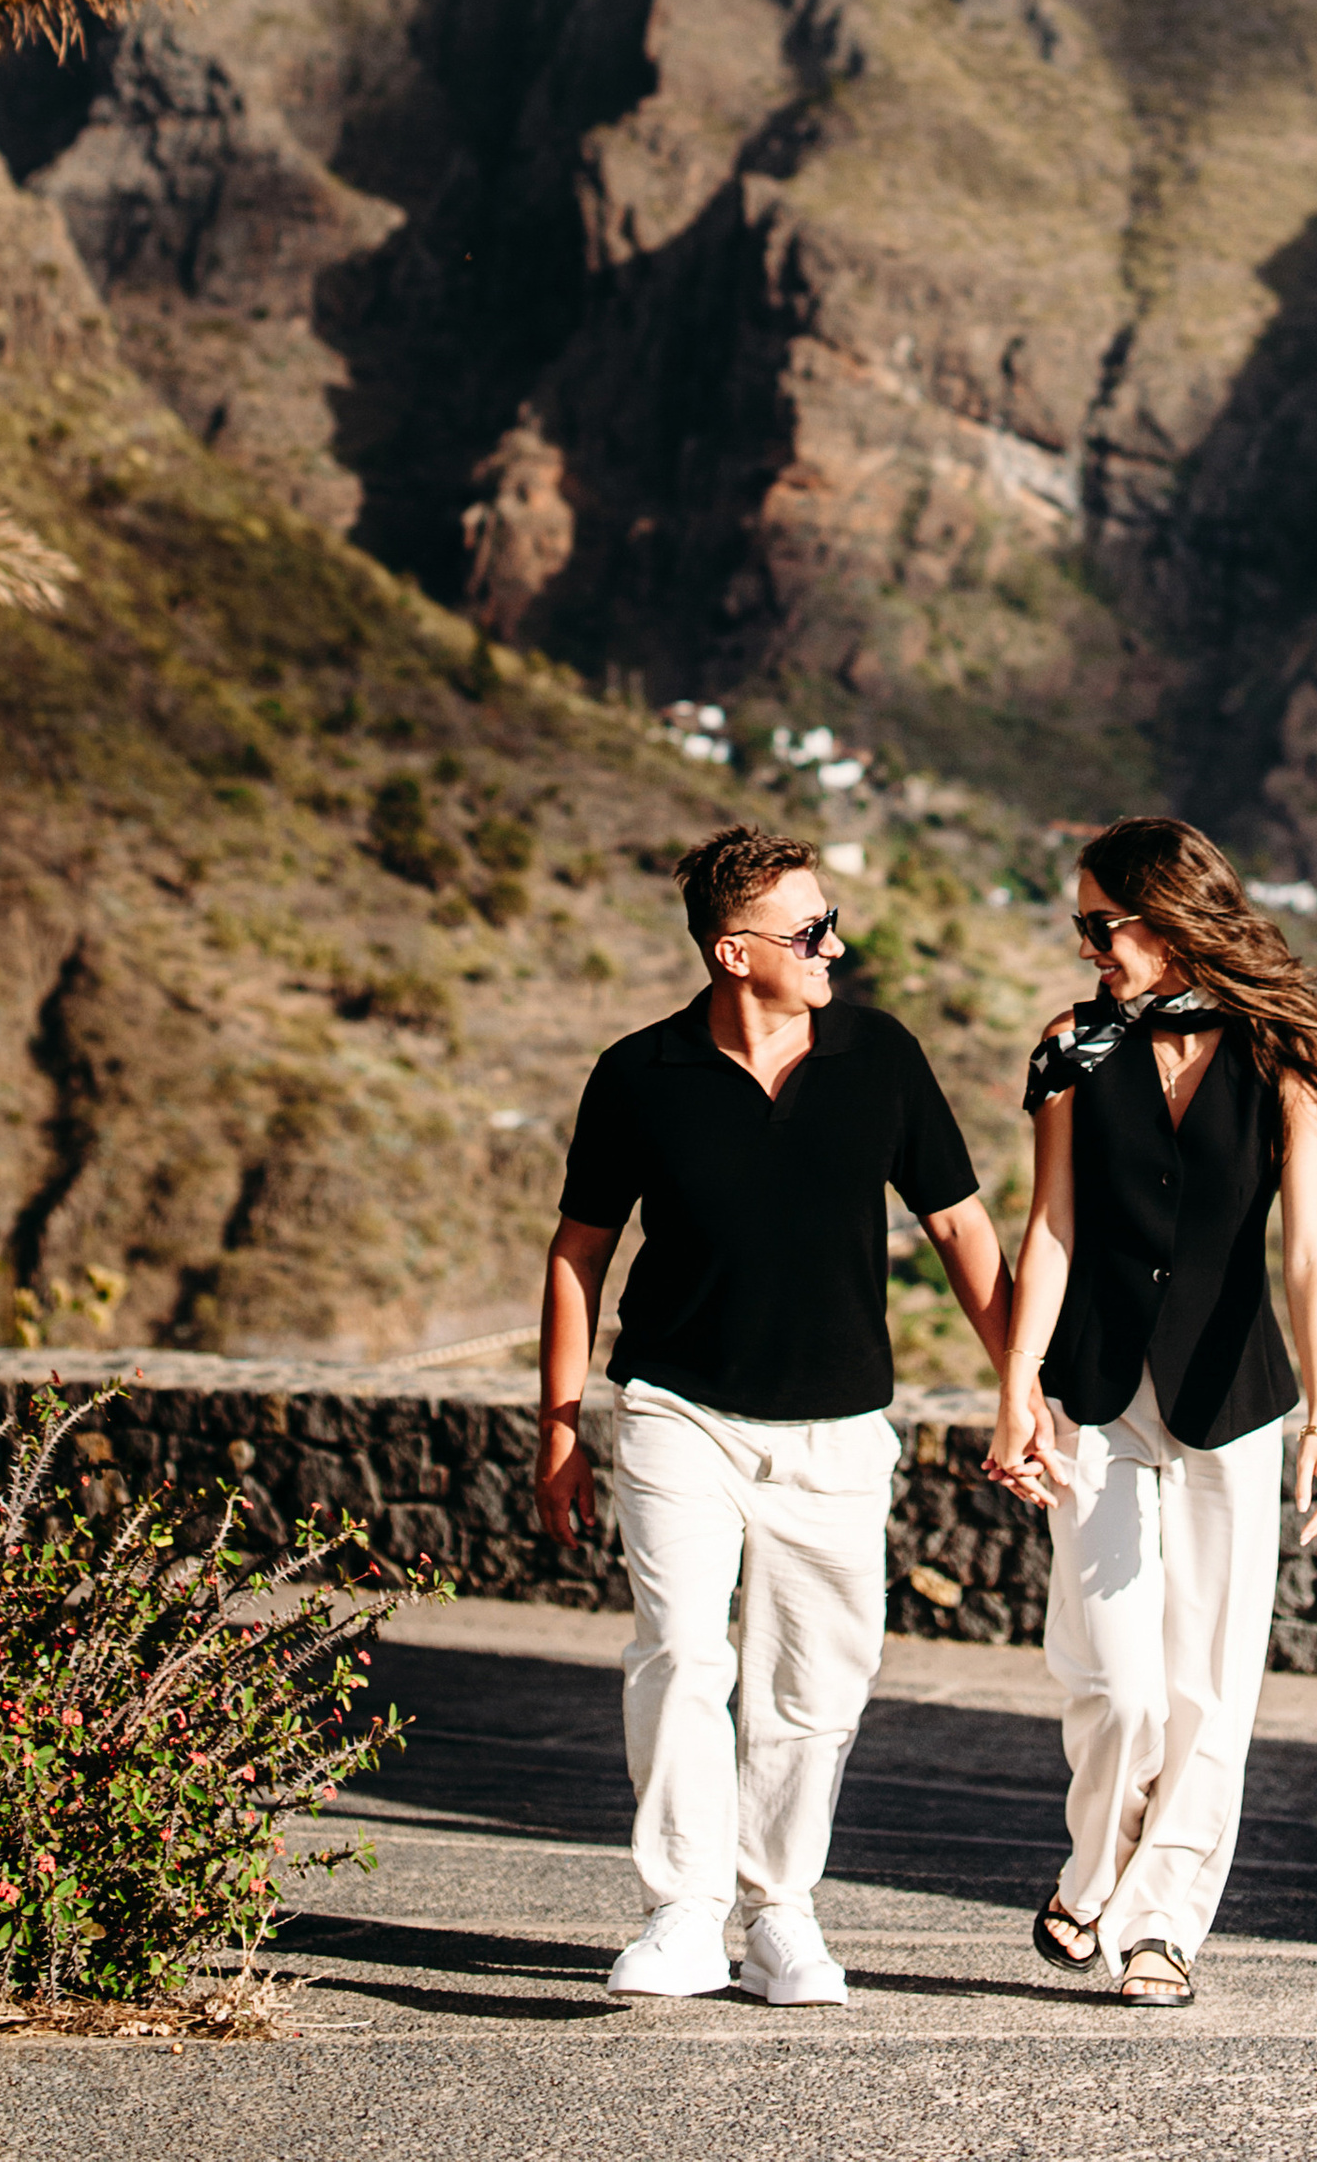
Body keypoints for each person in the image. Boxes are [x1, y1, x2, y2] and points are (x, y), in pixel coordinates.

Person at [536, 821, 1014, 2009]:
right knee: (681, 1655)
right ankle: (683, 1914)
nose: (834, 946)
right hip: (677, 1413)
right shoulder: (637, 1073)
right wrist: (558, 1426)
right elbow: (577, 1252)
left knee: (816, 1681)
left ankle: (779, 1912)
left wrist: (1023, 1388)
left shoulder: (879, 1054)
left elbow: (959, 1225)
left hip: (837, 1426)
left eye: (828, 922)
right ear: (732, 951)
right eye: (810, 930)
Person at [989, 813, 1317, 2009]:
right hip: (1093, 1391)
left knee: (1210, 1683)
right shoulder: (1071, 1045)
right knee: (1115, 1682)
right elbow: (1050, 1225)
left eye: (1100, 923)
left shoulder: (1276, 1052)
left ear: (1167, 916)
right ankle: (1094, 1868)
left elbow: (1306, 1252)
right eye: (1080, 924)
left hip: (1233, 1394)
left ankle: (1161, 1924)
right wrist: (1015, 1386)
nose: (1085, 945)